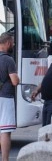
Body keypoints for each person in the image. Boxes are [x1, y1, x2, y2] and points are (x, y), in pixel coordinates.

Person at [0, 32, 20, 161]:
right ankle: (5, 159)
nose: (13, 45)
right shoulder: (8, 59)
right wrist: (17, 77)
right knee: (5, 131)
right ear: (7, 43)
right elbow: (15, 81)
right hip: (5, 98)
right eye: (12, 42)